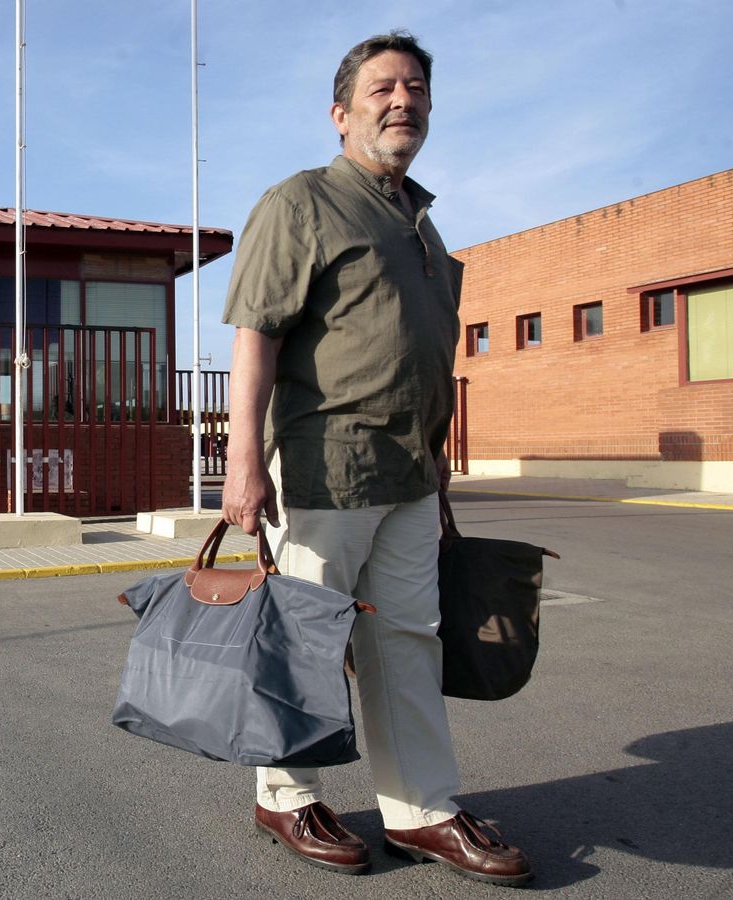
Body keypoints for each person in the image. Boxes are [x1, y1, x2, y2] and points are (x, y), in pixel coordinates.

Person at [219, 31, 532, 887]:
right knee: (306, 641)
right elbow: (256, 334)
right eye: (383, 88)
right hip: (325, 469)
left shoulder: (420, 223)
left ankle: (420, 809)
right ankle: (285, 795)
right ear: (340, 112)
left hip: (409, 476)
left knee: (406, 643)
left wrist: (438, 467)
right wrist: (243, 458)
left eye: (417, 88)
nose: (404, 100)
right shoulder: (303, 202)